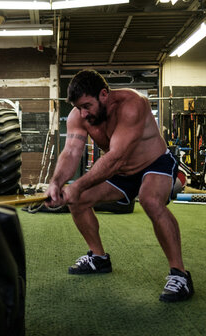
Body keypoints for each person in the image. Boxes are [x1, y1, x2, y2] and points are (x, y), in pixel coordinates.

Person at [45, 69, 194, 302]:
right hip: (122, 172)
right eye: (78, 108)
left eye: (86, 106)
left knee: (150, 200)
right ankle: (98, 258)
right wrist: (56, 183)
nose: (83, 114)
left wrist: (78, 184)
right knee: (78, 199)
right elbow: (71, 151)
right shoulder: (79, 116)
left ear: (104, 94)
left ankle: (180, 275)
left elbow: (115, 158)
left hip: (154, 163)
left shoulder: (133, 105)